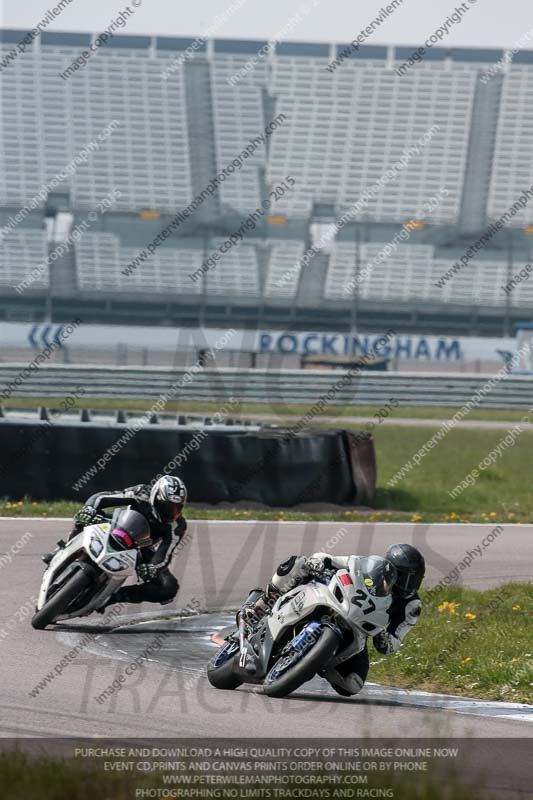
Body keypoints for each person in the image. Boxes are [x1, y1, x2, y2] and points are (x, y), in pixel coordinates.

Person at [239, 543, 425, 697]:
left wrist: (383, 638)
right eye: (405, 577)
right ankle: (261, 605)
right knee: (299, 563)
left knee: (352, 684)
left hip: (357, 629)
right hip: (336, 598)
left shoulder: (412, 606)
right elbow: (337, 560)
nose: (409, 585)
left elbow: (395, 641)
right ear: (391, 569)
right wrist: (319, 562)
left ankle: (317, 660)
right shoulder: (374, 567)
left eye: (415, 579)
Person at [43, 476, 188, 608]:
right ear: (156, 496)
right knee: (84, 516)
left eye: (177, 508)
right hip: (117, 525)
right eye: (166, 506)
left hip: (142, 547)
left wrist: (153, 567)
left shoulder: (178, 526)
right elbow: (102, 497)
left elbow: (166, 553)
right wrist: (89, 508)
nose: (171, 512)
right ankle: (61, 551)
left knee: (169, 587)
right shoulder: (141, 493)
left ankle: (112, 597)